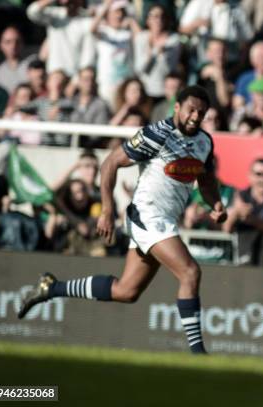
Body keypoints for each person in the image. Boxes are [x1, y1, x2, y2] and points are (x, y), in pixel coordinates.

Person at [17, 85, 227, 356]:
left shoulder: (204, 142)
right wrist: (106, 210)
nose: (196, 117)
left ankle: (51, 287)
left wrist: (217, 203)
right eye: (191, 110)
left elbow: (206, 179)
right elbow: (110, 163)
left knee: (126, 291)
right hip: (147, 216)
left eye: (201, 112)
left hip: (164, 221)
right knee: (190, 272)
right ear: (176, 107)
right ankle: (199, 354)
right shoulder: (156, 134)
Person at [0, 26, 37, 94]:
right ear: (1, 45)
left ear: (22, 43)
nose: (13, 46)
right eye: (8, 42)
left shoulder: (32, 62)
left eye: (17, 41)